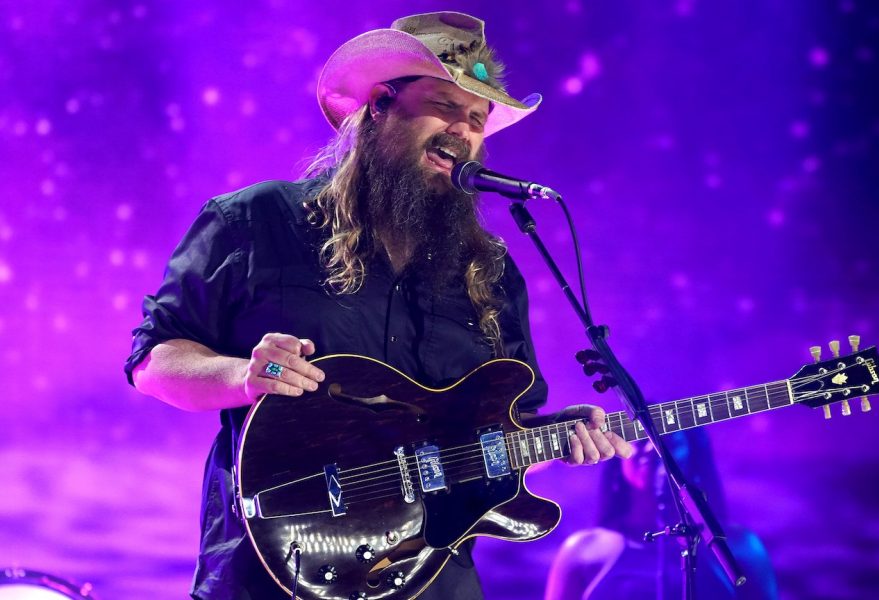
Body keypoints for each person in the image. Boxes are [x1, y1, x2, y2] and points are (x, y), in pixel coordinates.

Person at [124, 11, 631, 600]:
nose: (462, 131)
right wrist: (242, 375)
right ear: (379, 107)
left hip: (435, 580)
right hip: (273, 576)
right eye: (444, 104)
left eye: (476, 119)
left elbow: (501, 440)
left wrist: (556, 442)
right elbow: (152, 361)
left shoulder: (490, 273)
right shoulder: (255, 222)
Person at [545, 431, 778, 600]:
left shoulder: (740, 547)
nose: (651, 448)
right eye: (639, 439)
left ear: (693, 457)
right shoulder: (582, 550)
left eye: (666, 440)